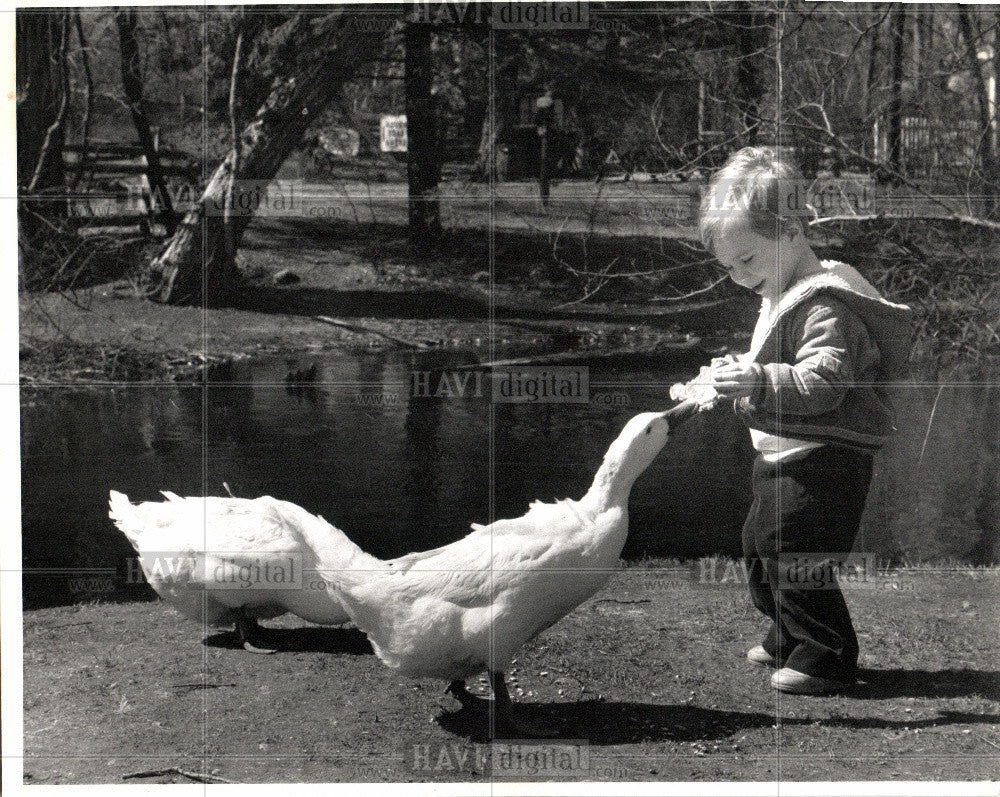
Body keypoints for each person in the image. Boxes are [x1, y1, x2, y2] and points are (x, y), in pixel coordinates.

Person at [684, 146, 912, 694]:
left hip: (827, 462)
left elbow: (826, 383)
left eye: (747, 261)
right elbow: (777, 360)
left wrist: (761, 381)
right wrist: (737, 374)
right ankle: (789, 633)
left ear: (790, 231)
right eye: (729, 266)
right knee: (759, 546)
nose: (739, 277)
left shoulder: (826, 306)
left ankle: (828, 655)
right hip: (785, 454)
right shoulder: (783, 289)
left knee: (795, 553)